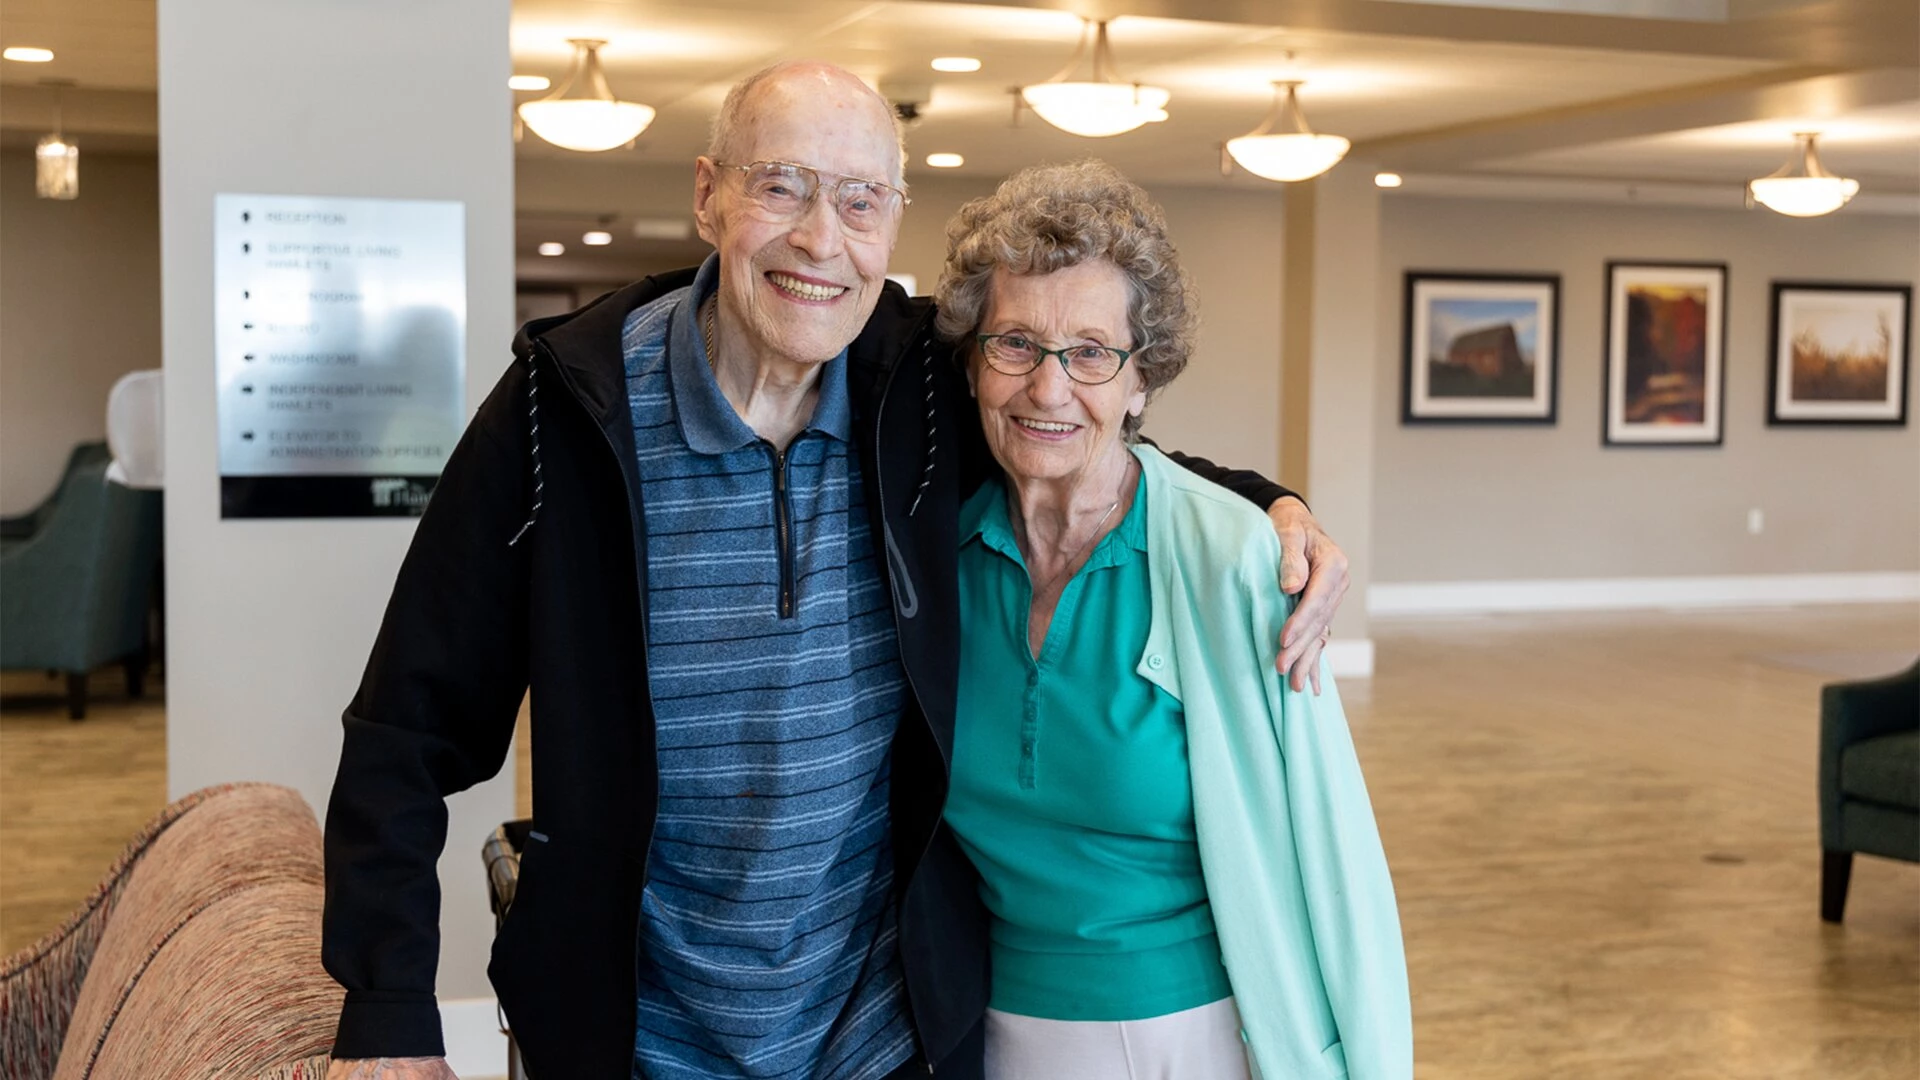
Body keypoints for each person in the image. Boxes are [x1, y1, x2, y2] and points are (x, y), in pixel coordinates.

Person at [322, 63, 1351, 1080]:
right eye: (782, 187)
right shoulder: (565, 415)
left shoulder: (922, 394)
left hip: (880, 1033)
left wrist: (1269, 507)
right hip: (637, 1037)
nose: (822, 239)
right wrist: (387, 1008)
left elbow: (1074, 424)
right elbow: (407, 727)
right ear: (709, 195)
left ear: (892, 226)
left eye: (861, 201)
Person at [935, 160, 1411, 1080]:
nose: (1048, 387)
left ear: (1141, 381)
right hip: (981, 1028)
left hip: (1192, 1035)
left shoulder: (1237, 561)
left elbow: (1335, 858)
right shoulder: (929, 551)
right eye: (1016, 345)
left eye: (1090, 354)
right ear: (970, 361)